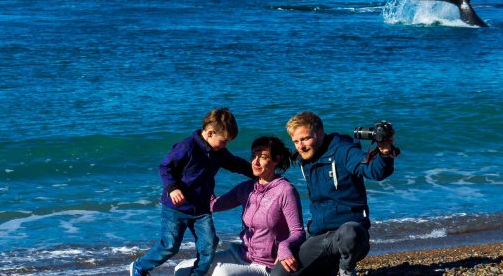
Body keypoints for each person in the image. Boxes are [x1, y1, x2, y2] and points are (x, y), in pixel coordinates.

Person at [130, 108, 254, 276]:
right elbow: (165, 167)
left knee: (209, 245)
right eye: (224, 141)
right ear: (210, 133)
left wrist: (256, 172)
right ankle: (139, 267)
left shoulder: (219, 152)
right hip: (175, 208)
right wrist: (172, 188)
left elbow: (235, 164)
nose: (225, 145)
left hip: (201, 209)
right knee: (169, 247)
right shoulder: (187, 146)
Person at [271, 112, 397, 276]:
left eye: (305, 139)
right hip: (319, 235)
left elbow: (375, 171)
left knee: (349, 233)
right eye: (296, 141)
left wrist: (385, 151)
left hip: (351, 235)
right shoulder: (305, 156)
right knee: (278, 274)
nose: (300, 146)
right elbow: (275, 159)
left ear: (320, 133)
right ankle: (328, 267)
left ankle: (346, 268)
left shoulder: (344, 150)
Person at [174, 135, 306, 276]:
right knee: (183, 268)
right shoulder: (246, 188)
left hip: (265, 265)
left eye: (262, 156)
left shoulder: (285, 190)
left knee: (222, 273)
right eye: (254, 155)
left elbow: (298, 232)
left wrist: (284, 247)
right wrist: (203, 176)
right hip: (241, 254)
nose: (255, 161)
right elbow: (212, 205)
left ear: (276, 159)